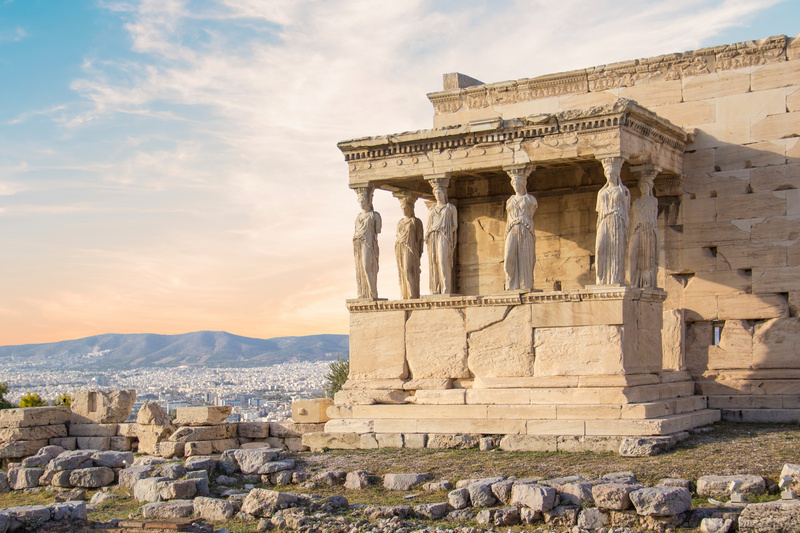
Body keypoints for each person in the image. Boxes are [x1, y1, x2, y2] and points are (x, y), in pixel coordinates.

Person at [595, 158, 630, 285]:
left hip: (617, 220)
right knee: (600, 247)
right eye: (607, 173)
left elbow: (626, 210)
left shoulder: (623, 191)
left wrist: (626, 227)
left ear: (616, 174)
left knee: (616, 249)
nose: (609, 175)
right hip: (604, 220)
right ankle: (601, 278)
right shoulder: (601, 192)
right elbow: (599, 211)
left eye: (611, 173)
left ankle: (615, 278)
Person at [504, 174, 538, 291]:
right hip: (511, 229)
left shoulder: (530, 200)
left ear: (523, 184)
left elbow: (531, 214)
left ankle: (525, 285)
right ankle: (511, 284)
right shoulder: (510, 201)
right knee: (508, 258)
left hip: (525, 229)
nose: (516, 186)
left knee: (525, 259)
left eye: (518, 183)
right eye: (514, 184)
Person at [426, 182, 458, 294]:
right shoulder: (432, 209)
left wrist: (448, 232)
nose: (437, 194)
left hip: (444, 235)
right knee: (434, 261)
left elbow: (455, 225)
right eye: (435, 192)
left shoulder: (450, 208)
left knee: (443, 260)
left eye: (439, 192)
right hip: (433, 235)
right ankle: (436, 289)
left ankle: (446, 288)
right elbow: (429, 224)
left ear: (444, 193)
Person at [629, 177, 658, 288]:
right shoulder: (636, 202)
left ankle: (647, 282)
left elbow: (654, 217)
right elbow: (632, 218)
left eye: (645, 185)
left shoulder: (654, 201)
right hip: (637, 230)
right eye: (641, 186)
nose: (643, 188)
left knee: (647, 257)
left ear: (650, 187)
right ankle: (634, 281)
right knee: (633, 256)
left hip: (649, 229)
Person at [353, 187, 381, 298]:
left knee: (366, 266)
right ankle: (364, 293)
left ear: (368, 200)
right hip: (358, 243)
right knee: (360, 268)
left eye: (363, 200)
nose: (361, 203)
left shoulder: (375, 215)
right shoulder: (358, 216)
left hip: (369, 243)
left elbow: (377, 230)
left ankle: (373, 292)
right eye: (359, 201)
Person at [395, 194, 424, 299]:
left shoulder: (415, 221)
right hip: (401, 248)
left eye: (406, 208)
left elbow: (420, 238)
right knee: (403, 270)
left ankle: (413, 293)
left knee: (408, 269)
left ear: (411, 208)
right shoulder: (400, 223)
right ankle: (406, 293)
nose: (404, 210)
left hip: (411, 248)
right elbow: (398, 237)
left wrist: (418, 251)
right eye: (402, 208)